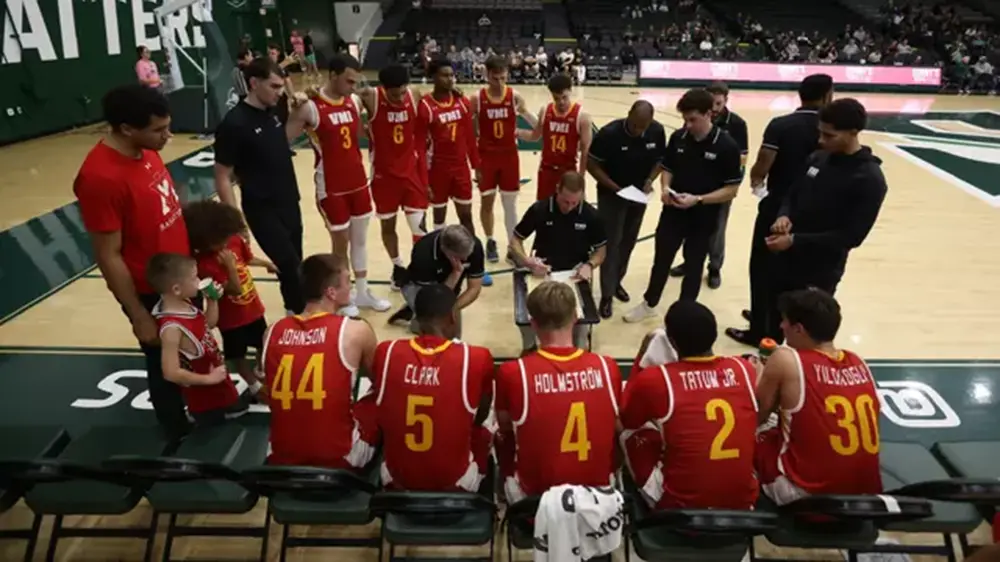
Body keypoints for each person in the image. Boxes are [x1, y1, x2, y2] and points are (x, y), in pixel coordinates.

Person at [74, 84, 190, 437]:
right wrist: (139, 314)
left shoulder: (146, 149)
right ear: (126, 128)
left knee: (189, 352)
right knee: (163, 362)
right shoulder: (99, 178)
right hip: (150, 290)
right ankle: (176, 434)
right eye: (158, 130)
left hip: (180, 276)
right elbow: (107, 255)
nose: (167, 136)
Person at [758, 98, 887, 344]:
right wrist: (784, 215)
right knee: (773, 323)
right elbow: (792, 194)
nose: (821, 140)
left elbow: (852, 236)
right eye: (821, 133)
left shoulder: (869, 179)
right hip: (784, 260)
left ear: (853, 133)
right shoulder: (818, 158)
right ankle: (768, 367)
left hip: (820, 271)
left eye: (830, 135)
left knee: (806, 334)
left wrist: (795, 240)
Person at [726, 74, 833, 347]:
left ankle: (762, 328)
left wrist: (756, 181)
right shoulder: (830, 129)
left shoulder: (782, 125)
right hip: (813, 212)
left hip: (778, 207)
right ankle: (774, 318)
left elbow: (763, 163)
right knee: (793, 272)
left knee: (762, 268)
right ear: (827, 96)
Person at [620, 300, 758, 510]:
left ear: (672, 342)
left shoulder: (656, 379)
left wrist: (642, 354)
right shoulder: (744, 368)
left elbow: (627, 418)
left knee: (629, 430)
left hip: (678, 507)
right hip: (742, 501)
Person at [494, 281, 623, 503]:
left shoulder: (512, 372)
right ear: (575, 316)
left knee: (497, 433)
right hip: (598, 497)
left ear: (532, 323)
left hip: (537, 502)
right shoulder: (607, 366)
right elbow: (618, 425)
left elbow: (505, 427)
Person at [624, 89, 743, 322]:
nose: (687, 125)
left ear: (709, 114)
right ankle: (650, 303)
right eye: (685, 119)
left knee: (694, 265)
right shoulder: (678, 138)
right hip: (673, 212)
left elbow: (732, 189)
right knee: (661, 260)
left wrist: (698, 199)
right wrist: (665, 189)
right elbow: (668, 168)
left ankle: (685, 314)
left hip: (704, 217)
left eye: (693, 119)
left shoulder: (727, 146)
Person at [754, 289, 882, 504]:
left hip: (808, 498)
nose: (781, 326)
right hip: (864, 496)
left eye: (785, 321)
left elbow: (757, 416)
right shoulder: (858, 361)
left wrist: (759, 377)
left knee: (741, 434)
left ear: (798, 329)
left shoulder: (785, 358)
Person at [287, 53, 390, 316]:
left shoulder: (354, 100)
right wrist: (296, 99)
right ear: (332, 75)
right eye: (348, 80)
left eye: (355, 81)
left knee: (361, 241)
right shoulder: (310, 106)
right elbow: (283, 138)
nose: (352, 86)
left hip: (358, 182)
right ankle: (344, 298)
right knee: (340, 245)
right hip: (331, 187)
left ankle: (363, 291)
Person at [262, 253, 380, 469]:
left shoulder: (272, 330)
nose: (351, 286)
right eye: (348, 281)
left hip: (280, 453)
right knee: (378, 400)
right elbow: (380, 382)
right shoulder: (356, 330)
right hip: (339, 457)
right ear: (331, 292)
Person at [373, 283, 495, 492]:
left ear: (417, 319)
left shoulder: (387, 350)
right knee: (489, 429)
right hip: (454, 485)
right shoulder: (476, 357)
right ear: (453, 317)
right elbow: (480, 417)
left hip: (397, 481)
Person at [214, 57, 305, 317]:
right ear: (254, 83)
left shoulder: (274, 109)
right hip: (261, 208)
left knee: (293, 263)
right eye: (274, 86)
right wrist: (234, 221)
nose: (280, 92)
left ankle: (293, 314)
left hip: (289, 200)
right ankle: (302, 316)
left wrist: (298, 108)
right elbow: (222, 175)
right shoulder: (234, 124)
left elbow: (281, 139)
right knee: (288, 263)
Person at [184, 200, 274, 398]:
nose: (226, 241)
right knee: (237, 355)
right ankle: (254, 386)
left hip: (253, 309)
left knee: (264, 344)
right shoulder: (205, 265)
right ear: (205, 240)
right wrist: (230, 267)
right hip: (231, 320)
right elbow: (234, 289)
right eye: (220, 239)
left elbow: (248, 258)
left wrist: (266, 263)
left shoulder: (233, 240)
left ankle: (260, 370)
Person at [587, 100, 666, 319]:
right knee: (611, 243)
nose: (638, 131)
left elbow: (661, 159)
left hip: (638, 196)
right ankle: (606, 295)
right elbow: (591, 165)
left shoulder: (657, 131)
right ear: (629, 114)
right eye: (634, 125)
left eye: (643, 127)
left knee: (628, 241)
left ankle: (616, 282)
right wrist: (615, 188)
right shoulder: (609, 133)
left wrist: (651, 179)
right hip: (611, 194)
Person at [509, 171, 606, 350]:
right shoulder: (539, 209)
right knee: (529, 322)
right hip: (543, 273)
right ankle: (530, 351)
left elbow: (601, 250)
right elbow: (515, 239)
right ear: (557, 191)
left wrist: (590, 265)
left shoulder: (591, 215)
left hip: (575, 274)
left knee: (580, 331)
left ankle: (579, 353)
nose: (569, 207)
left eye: (575, 203)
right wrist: (527, 261)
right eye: (565, 201)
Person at [146, 253, 246, 424]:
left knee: (235, 412)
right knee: (213, 434)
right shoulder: (171, 328)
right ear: (176, 289)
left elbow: (209, 324)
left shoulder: (183, 302)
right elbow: (170, 373)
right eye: (194, 278)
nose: (199, 280)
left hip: (217, 380)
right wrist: (209, 379)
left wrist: (212, 300)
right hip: (204, 397)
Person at [669, 82, 749, 289]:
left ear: (726, 100)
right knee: (692, 227)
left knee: (717, 230)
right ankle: (690, 262)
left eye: (718, 103)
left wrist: (728, 184)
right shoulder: (692, 122)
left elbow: (742, 157)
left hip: (721, 186)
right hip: (695, 185)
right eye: (711, 103)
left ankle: (714, 267)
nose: (714, 108)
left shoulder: (737, 125)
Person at [416, 58, 487, 285]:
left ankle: (473, 260)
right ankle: (440, 263)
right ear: (434, 77)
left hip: (460, 169)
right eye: (444, 75)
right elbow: (418, 146)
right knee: (439, 219)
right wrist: (423, 180)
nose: (449, 79)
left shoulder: (462, 102)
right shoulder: (425, 106)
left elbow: (469, 138)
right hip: (437, 169)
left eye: (451, 75)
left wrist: (476, 166)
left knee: (466, 216)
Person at [360, 65, 428, 291]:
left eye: (402, 92)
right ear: (383, 88)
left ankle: (419, 267)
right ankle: (398, 266)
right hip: (383, 176)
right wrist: (310, 93)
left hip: (410, 172)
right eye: (394, 94)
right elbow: (341, 97)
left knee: (419, 227)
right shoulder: (371, 97)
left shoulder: (414, 93)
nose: (399, 97)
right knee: (388, 226)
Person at [470, 55, 538, 264]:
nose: (499, 82)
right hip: (486, 157)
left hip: (509, 156)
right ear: (487, 75)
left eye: (502, 78)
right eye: (495, 78)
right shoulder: (477, 98)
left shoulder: (514, 96)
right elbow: (471, 134)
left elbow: (535, 123)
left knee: (510, 205)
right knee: (487, 202)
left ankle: (513, 247)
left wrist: (531, 131)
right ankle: (490, 240)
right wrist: (475, 163)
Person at [389, 224, 486, 336]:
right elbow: (435, 301)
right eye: (459, 257)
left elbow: (474, 288)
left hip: (446, 284)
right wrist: (456, 273)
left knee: (451, 327)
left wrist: (452, 310)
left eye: (467, 255)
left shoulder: (474, 246)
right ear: (444, 250)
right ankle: (415, 311)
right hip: (419, 288)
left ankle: (415, 312)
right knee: (431, 328)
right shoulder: (423, 253)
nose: (465, 259)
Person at [518, 73, 594, 201]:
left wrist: (581, 178)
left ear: (571, 91)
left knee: (569, 211)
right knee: (543, 211)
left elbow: (586, 151)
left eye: (564, 97)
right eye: (556, 98)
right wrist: (515, 132)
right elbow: (535, 136)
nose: (561, 102)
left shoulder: (582, 116)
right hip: (546, 169)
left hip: (568, 171)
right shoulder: (545, 110)